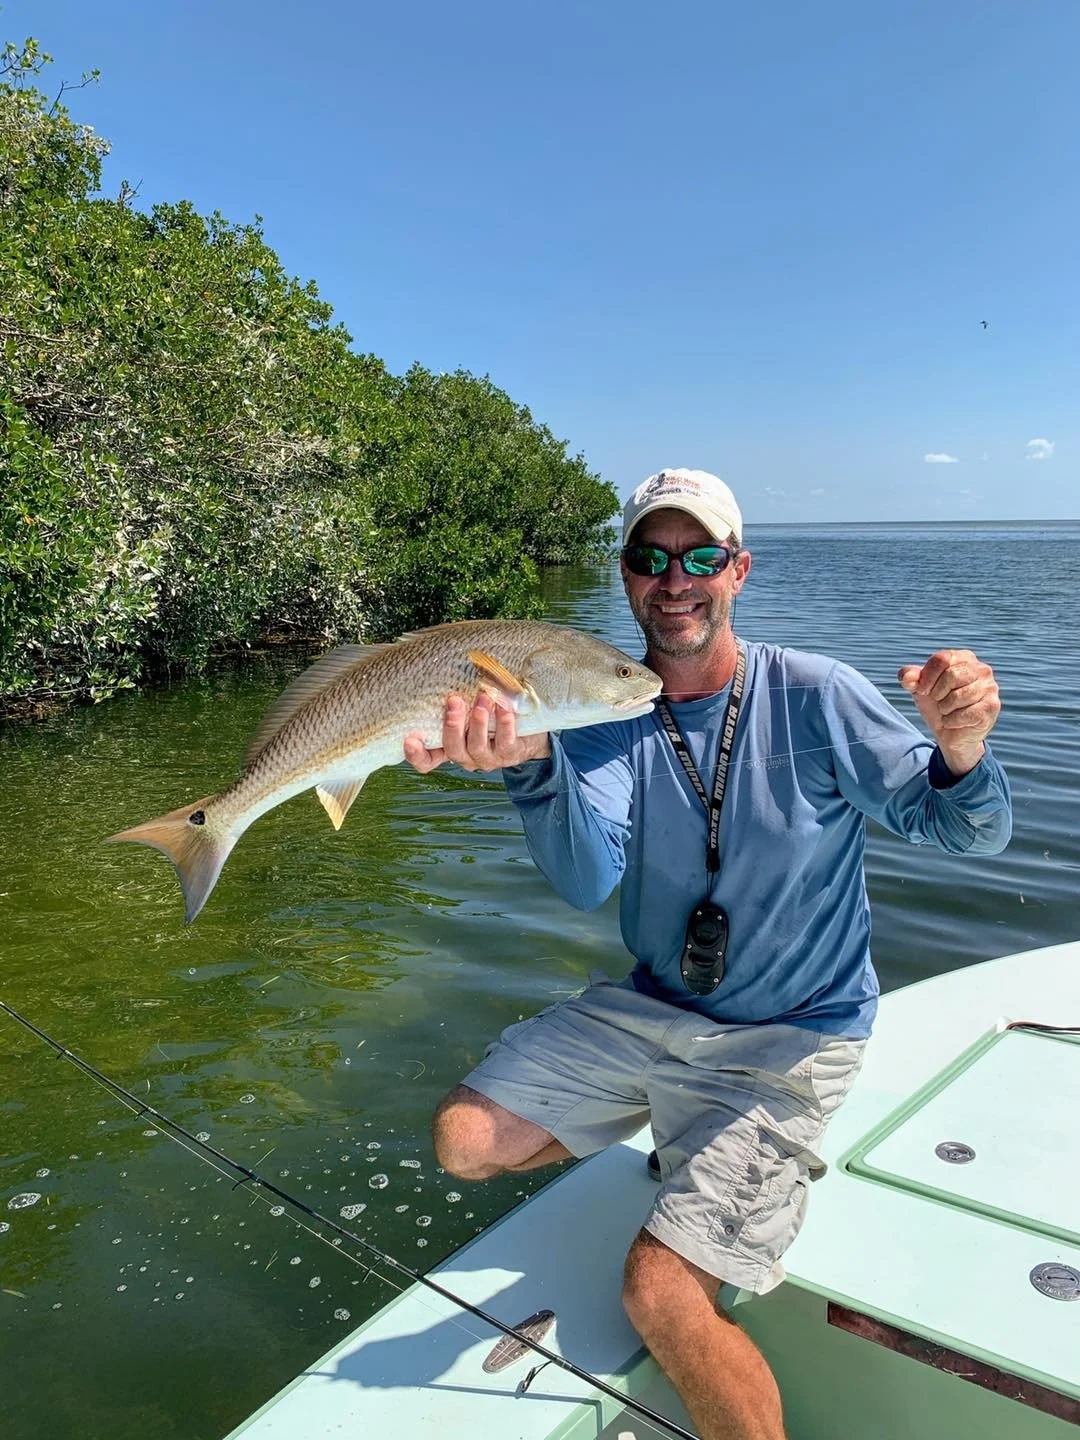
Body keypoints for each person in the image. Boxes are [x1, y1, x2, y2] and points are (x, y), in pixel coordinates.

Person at [403, 468, 1011, 1440]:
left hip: (793, 1034)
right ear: (626, 574)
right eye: (651, 556)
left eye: (698, 556)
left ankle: (712, 1141)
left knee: (661, 1296)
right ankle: (689, 1125)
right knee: (463, 1141)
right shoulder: (599, 714)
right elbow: (584, 879)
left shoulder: (815, 696)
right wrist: (529, 773)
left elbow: (965, 832)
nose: (673, 578)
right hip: (654, 1008)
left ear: (739, 570)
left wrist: (965, 750)